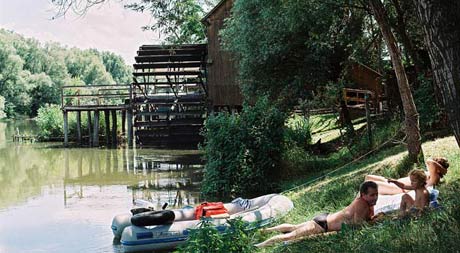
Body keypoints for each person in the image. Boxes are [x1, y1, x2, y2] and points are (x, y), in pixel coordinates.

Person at [254, 181, 380, 248]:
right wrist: (375, 221)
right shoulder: (362, 204)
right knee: (291, 236)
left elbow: (367, 218)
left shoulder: (366, 203)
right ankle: (259, 246)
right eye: (372, 195)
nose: (375, 197)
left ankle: (265, 230)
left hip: (325, 218)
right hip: (322, 225)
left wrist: (374, 218)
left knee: (293, 227)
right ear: (363, 195)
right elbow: (358, 225)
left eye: (376, 194)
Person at [364, 157, 449, 195]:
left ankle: (357, 207)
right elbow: (430, 162)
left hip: (399, 188)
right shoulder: (430, 173)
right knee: (368, 177)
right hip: (396, 182)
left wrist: (443, 170)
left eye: (436, 164)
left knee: (368, 185)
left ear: (438, 169)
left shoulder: (435, 177)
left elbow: (430, 161)